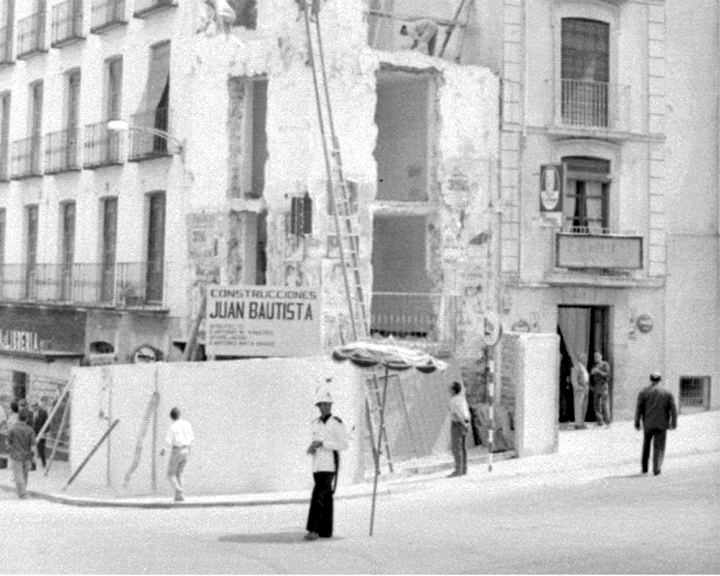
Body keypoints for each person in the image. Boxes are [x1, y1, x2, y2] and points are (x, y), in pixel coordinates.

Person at [305, 383, 348, 541]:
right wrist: (313, 447)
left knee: (318, 495)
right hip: (317, 465)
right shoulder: (315, 423)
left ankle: (314, 529)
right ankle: (326, 530)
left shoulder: (336, 423)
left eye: (328, 404)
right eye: (322, 405)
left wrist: (324, 445)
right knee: (326, 496)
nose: (325, 407)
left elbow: (344, 444)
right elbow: (316, 440)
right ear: (319, 406)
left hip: (329, 464)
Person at [635, 372, 677, 476]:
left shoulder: (644, 392)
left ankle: (644, 468)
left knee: (646, 446)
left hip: (648, 423)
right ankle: (656, 469)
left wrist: (637, 422)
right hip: (661, 424)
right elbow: (673, 409)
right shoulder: (667, 392)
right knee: (659, 446)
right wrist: (673, 423)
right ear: (660, 379)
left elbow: (639, 408)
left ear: (650, 379)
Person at [160, 407, 194, 502]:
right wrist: (188, 450)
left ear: (171, 417)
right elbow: (191, 438)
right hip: (186, 450)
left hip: (177, 451)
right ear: (179, 414)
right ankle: (179, 496)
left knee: (170, 473)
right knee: (179, 473)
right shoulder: (187, 424)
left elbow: (168, 441)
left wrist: (164, 450)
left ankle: (177, 489)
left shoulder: (173, 427)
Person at [7, 411, 36, 499]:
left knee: (18, 474)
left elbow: (8, 442)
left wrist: (10, 449)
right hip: (27, 455)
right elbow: (33, 446)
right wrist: (33, 457)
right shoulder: (30, 430)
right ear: (27, 419)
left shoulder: (13, 429)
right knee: (25, 474)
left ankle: (22, 492)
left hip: (16, 455)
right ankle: (22, 492)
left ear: (18, 418)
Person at [448, 381, 470, 477]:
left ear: (453, 390)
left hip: (457, 424)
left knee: (457, 448)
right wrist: (466, 424)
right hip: (465, 422)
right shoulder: (462, 399)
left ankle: (458, 470)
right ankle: (464, 468)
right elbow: (466, 411)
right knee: (463, 447)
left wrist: (461, 423)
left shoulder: (453, 400)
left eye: (450, 388)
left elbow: (456, 414)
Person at [590, 351, 612, 426]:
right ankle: (599, 421)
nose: (596, 358)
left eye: (597, 356)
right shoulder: (594, 365)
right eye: (595, 357)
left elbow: (608, 375)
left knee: (604, 404)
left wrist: (599, 371)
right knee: (596, 405)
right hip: (596, 386)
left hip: (603, 386)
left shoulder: (605, 364)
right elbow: (591, 376)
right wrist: (592, 373)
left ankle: (608, 422)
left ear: (601, 356)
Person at [570, 353, 590, 429]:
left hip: (586, 387)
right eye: (583, 358)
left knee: (584, 405)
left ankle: (582, 422)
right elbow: (574, 378)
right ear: (580, 359)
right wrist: (577, 386)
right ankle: (578, 423)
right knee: (578, 406)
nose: (585, 359)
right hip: (580, 388)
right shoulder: (577, 367)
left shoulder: (584, 367)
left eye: (585, 358)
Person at [31, 400, 49, 468]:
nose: (33, 408)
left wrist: (44, 432)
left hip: (41, 433)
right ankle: (33, 464)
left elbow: (47, 423)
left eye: (34, 406)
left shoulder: (43, 413)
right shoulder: (30, 413)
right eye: (32, 406)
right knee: (32, 449)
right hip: (32, 433)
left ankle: (43, 461)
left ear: (37, 406)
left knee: (41, 449)